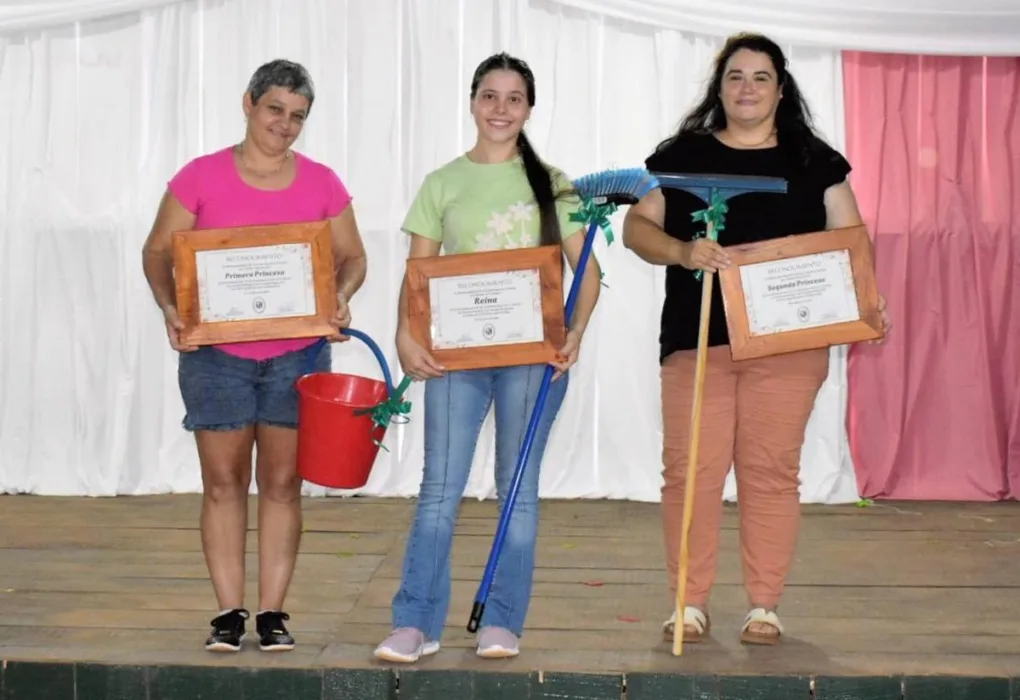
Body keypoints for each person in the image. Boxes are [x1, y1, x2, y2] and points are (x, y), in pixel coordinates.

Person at [622, 33, 891, 645]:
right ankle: (688, 604)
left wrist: (869, 301)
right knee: (691, 473)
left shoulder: (814, 161)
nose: (747, 88)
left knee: (770, 472)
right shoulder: (682, 156)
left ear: (781, 88)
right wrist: (682, 250)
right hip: (697, 342)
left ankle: (764, 605)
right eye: (736, 76)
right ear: (719, 88)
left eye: (761, 77)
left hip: (788, 348)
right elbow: (638, 228)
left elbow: (852, 241)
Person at [372, 52, 601, 663]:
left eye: (514, 98)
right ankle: (415, 622)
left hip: (534, 358)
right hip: (454, 357)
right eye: (490, 96)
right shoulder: (441, 183)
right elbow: (419, 273)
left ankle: (501, 620)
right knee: (439, 488)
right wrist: (405, 334)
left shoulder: (554, 183)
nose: (501, 109)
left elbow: (587, 270)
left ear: (529, 109)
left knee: (517, 490)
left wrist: (576, 330)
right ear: (473, 102)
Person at [141, 59, 368, 652]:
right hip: (215, 357)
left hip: (298, 356)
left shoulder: (322, 182)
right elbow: (156, 252)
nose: (284, 124)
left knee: (283, 483)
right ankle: (228, 612)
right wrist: (170, 308)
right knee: (222, 483)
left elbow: (352, 258)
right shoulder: (199, 176)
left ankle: (272, 613)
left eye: (298, 116)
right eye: (275, 109)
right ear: (248, 103)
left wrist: (340, 298)